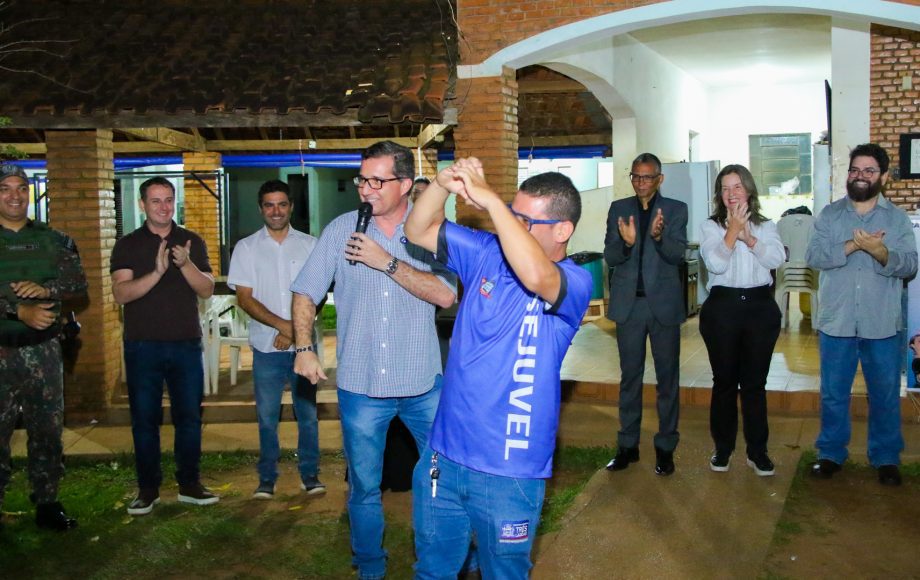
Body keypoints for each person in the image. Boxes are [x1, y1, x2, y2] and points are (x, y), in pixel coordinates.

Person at [405, 160, 592, 578]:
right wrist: (441, 183)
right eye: (513, 211)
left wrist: (490, 200)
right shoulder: (486, 254)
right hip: (445, 458)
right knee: (431, 569)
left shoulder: (574, 282)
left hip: (511, 472)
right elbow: (415, 230)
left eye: (525, 219)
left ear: (562, 231)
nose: (511, 223)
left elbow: (534, 274)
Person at [290, 140, 456, 580]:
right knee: (363, 487)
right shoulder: (342, 229)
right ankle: (370, 567)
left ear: (405, 184)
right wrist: (304, 348)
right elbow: (306, 290)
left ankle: (442, 563)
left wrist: (387, 262)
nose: (366, 188)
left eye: (378, 180)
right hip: (361, 387)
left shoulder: (430, 232)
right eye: (363, 179)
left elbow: (445, 293)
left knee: (440, 482)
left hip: (422, 384)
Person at [806, 143, 917, 486]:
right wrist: (854, 246)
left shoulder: (896, 220)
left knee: (884, 393)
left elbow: (910, 266)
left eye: (869, 170)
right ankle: (830, 453)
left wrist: (882, 253)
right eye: (855, 169)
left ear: (883, 176)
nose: (860, 176)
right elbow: (814, 257)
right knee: (834, 392)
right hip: (837, 321)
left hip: (881, 322)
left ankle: (885, 457)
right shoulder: (829, 215)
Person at [111, 176, 219, 515]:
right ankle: (148, 489)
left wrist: (185, 264)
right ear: (142, 205)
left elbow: (206, 289)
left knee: (189, 418)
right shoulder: (127, 245)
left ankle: (190, 484)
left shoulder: (191, 240)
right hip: (143, 346)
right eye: (156, 200)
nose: (163, 206)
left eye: (169, 199)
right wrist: (157, 272)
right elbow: (121, 294)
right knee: (145, 420)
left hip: (186, 344)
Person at [0, 163, 87, 531]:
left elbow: (78, 291)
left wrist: (47, 292)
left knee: (48, 431)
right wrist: (17, 308)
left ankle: (48, 501)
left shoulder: (56, 240)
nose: (15, 195)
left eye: (21, 187)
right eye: (5, 188)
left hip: (44, 350)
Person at [227, 179, 324, 500]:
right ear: (261, 209)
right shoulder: (246, 247)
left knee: (307, 416)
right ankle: (267, 478)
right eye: (269, 205)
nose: (276, 211)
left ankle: (310, 475)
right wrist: (284, 327)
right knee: (267, 418)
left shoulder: (311, 245)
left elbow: (319, 293)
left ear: (291, 207)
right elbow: (245, 298)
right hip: (266, 348)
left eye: (282, 204)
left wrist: (296, 332)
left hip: (304, 348)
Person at [603, 153, 688, 475]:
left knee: (667, 381)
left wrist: (657, 236)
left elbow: (677, 255)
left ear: (660, 179)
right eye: (635, 177)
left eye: (647, 177)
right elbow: (610, 256)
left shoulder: (676, 210)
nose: (640, 183)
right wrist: (626, 244)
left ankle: (665, 447)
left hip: (663, 306)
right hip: (630, 307)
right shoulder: (619, 209)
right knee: (630, 379)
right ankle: (627, 446)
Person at [699, 165, 786, 476]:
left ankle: (757, 451)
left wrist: (750, 239)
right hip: (723, 309)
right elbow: (716, 265)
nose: (731, 193)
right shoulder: (709, 227)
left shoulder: (767, 226)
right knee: (723, 383)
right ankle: (723, 449)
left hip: (760, 309)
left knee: (754, 384)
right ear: (719, 195)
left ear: (748, 190)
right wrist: (732, 232)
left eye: (737, 187)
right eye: (725, 188)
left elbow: (776, 259)